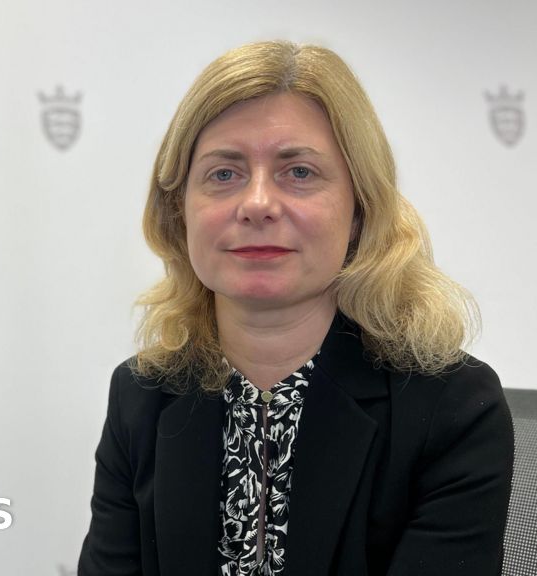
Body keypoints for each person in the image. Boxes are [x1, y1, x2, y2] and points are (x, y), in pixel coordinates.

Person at [77, 40, 514, 576]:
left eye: (299, 172)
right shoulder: (141, 396)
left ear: (360, 210)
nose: (257, 204)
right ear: (179, 211)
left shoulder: (452, 407)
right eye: (223, 174)